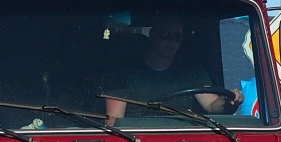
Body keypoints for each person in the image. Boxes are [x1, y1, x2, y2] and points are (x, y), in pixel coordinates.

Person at [104, 16, 243, 124]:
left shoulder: (191, 72)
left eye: (177, 37)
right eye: (165, 35)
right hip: (138, 140)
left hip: (182, 139)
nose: (171, 41)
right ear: (152, 35)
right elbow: (114, 119)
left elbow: (212, 106)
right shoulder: (123, 73)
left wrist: (228, 101)